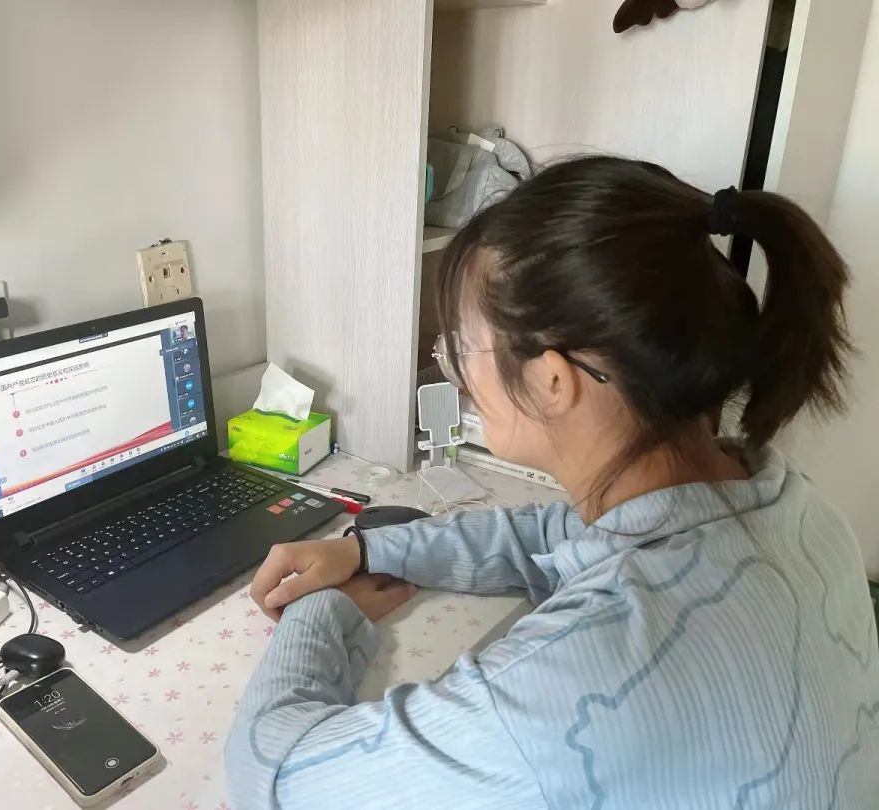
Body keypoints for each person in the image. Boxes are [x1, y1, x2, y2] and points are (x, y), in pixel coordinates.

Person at [224, 157, 879, 809]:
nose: (453, 369)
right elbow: (552, 534)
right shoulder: (789, 503)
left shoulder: (553, 691)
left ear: (552, 380)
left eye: (460, 346)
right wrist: (366, 550)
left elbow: (274, 775)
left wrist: (319, 606)